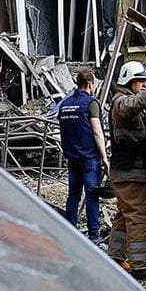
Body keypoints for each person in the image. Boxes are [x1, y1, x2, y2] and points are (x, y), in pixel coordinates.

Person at [106, 61, 146, 277]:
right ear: (128, 81)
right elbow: (131, 105)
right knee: (141, 215)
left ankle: (116, 257)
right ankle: (140, 265)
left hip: (131, 172)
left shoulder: (133, 105)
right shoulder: (121, 102)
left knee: (124, 215)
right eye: (142, 82)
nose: (145, 86)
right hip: (133, 173)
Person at [55, 69, 107, 242]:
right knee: (92, 196)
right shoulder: (91, 103)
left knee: (73, 195)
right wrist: (104, 157)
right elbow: (97, 132)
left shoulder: (65, 104)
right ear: (90, 84)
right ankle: (94, 236)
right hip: (89, 158)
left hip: (72, 158)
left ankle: (70, 233)